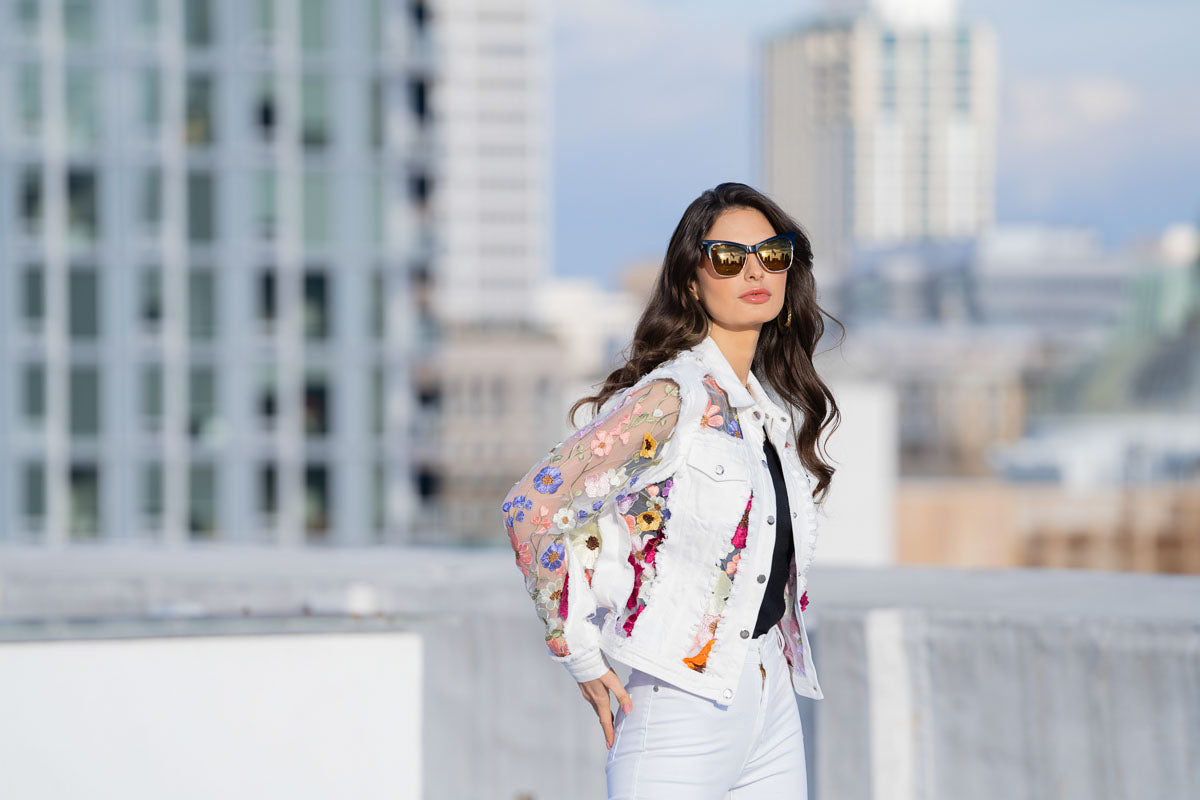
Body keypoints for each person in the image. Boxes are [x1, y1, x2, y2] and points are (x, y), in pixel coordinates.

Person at [500, 182, 841, 798]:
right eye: (729, 257)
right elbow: (533, 506)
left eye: (772, 253)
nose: (755, 270)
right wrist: (577, 651)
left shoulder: (768, 413)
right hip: (681, 710)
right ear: (692, 281)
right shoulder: (671, 397)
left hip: (771, 703)